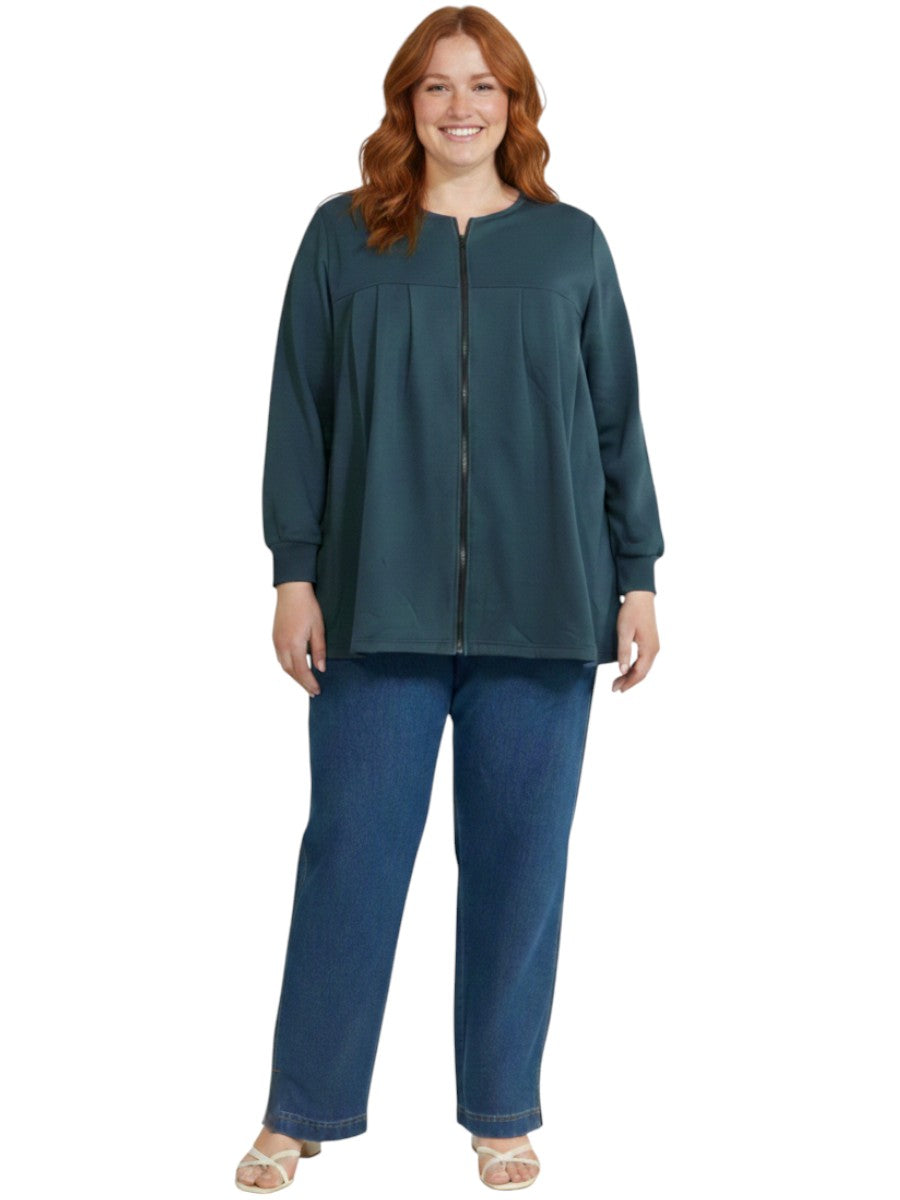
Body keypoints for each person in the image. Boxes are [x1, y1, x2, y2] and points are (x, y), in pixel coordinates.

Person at [236, 6, 664, 1193]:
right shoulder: (343, 238)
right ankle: (303, 1107)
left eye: (483, 86)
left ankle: (502, 1110)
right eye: (436, 87)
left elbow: (617, 419)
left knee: (522, 866)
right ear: (406, 105)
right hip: (374, 606)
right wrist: (293, 571)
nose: (460, 107)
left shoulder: (572, 245)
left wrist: (637, 574)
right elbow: (300, 410)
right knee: (351, 858)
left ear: (514, 104)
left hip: (548, 605)